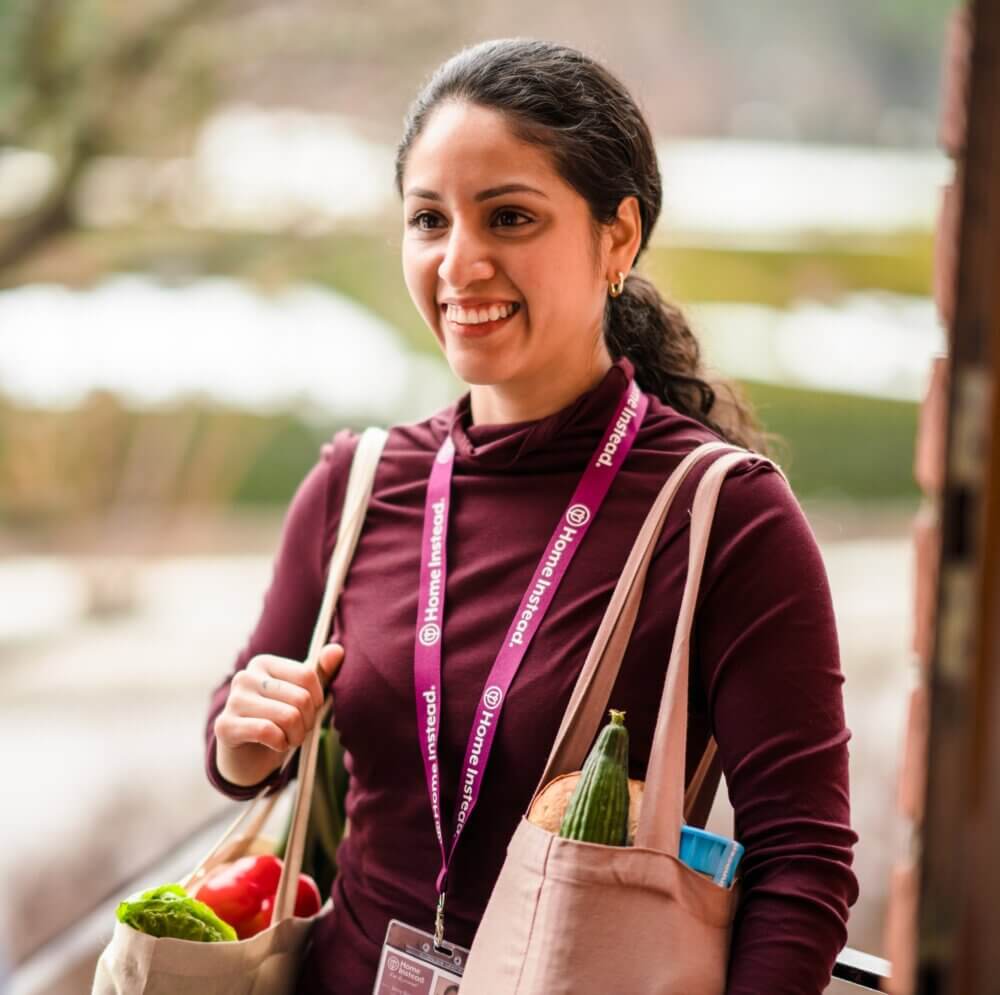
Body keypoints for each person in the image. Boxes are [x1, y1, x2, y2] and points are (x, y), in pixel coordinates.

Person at [205, 38, 858, 995]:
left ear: (617, 238)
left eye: (509, 217)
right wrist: (244, 734)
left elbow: (802, 864)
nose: (459, 262)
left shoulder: (725, 516)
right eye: (429, 219)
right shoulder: (358, 483)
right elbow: (238, 750)